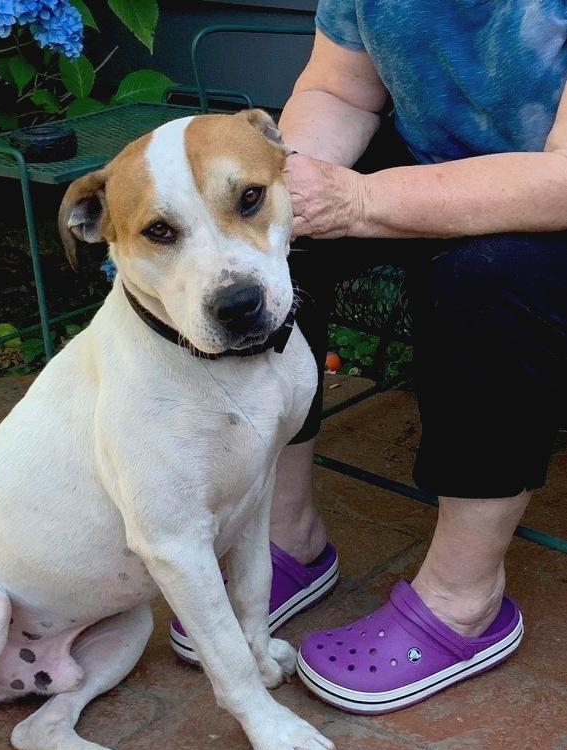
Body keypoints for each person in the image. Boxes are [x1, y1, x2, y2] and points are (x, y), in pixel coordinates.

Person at [171, 1, 567, 713]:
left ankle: (465, 600)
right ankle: (287, 533)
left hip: (553, 191)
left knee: (490, 274)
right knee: (274, 247)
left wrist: (357, 200)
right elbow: (338, 89)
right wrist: (289, 188)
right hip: (442, 160)